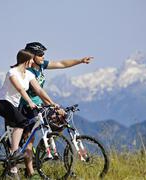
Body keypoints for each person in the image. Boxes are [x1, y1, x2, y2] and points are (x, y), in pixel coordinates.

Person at [19, 42, 93, 177]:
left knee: (61, 119)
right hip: (27, 106)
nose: (43, 56)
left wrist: (80, 61)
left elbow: (62, 64)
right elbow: (39, 91)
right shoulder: (28, 71)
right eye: (40, 54)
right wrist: (53, 104)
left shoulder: (41, 65)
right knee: (29, 139)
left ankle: (45, 143)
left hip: (41, 104)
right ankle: (30, 172)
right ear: (32, 56)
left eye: (43, 54)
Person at [0, 49, 57, 178]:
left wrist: (51, 102)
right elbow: (20, 89)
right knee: (22, 122)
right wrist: (29, 101)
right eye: (32, 60)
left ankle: (13, 171)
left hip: (13, 105)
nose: (33, 62)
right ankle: (14, 152)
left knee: (20, 125)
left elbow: (38, 89)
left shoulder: (28, 74)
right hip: (2, 103)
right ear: (26, 60)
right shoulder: (12, 72)